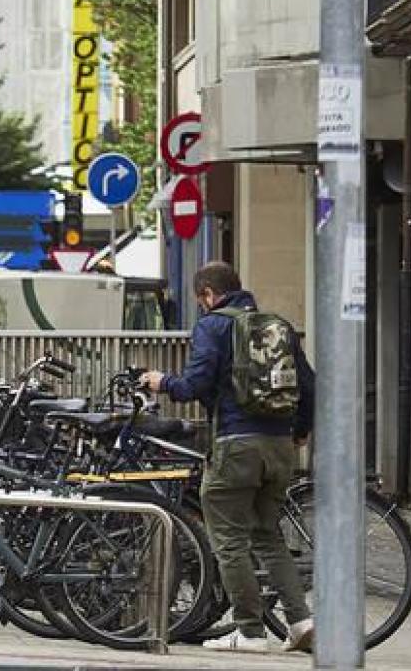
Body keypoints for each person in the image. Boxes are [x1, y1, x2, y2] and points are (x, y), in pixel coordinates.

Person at [140, 261, 315, 653]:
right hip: (281, 446)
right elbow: (309, 384)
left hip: (235, 445)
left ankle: (250, 632)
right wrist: (300, 430)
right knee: (268, 536)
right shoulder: (278, 326)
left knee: (229, 540)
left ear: (207, 294)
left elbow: (194, 384)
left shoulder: (213, 325)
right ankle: (301, 621)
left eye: (201, 300)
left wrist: (161, 382)